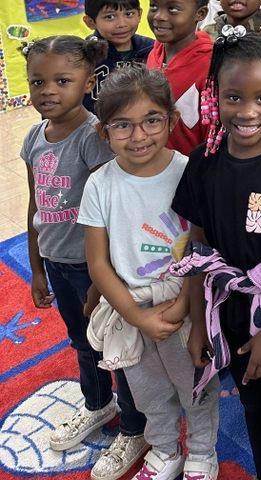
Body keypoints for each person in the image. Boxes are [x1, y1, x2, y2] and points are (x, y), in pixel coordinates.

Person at [171, 32, 261, 480]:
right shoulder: (203, 161)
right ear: (215, 95)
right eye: (234, 97)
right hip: (227, 312)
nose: (248, 111)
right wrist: (199, 324)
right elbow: (198, 248)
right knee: (252, 404)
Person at [80, 66, 220, 480]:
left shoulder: (189, 171)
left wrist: (182, 305)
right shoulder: (100, 184)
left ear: (172, 120)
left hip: (186, 302)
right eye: (123, 125)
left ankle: (201, 453)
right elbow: (98, 263)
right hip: (130, 307)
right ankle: (163, 449)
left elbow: (204, 246)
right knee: (148, 392)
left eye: (151, 120)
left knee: (195, 385)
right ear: (104, 132)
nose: (139, 136)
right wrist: (135, 315)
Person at [21, 36, 148, 480]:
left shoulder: (92, 137)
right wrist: (36, 267)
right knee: (81, 341)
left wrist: (101, 278)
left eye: (62, 80)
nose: (48, 91)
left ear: (88, 82)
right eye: (38, 82)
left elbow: (109, 212)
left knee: (115, 348)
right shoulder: (33, 137)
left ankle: (134, 428)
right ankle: (98, 403)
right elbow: (36, 205)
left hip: (92, 267)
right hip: (56, 261)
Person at [146, 0, 213, 154]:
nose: (159, 16)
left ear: (200, 14)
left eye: (173, 9)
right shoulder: (154, 53)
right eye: (153, 6)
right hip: (154, 162)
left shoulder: (211, 66)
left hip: (193, 167)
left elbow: (212, 134)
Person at [82, 0, 154, 113]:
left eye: (129, 14)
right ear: (90, 22)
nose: (122, 24)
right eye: (110, 17)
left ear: (139, 14)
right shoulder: (83, 55)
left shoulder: (152, 49)